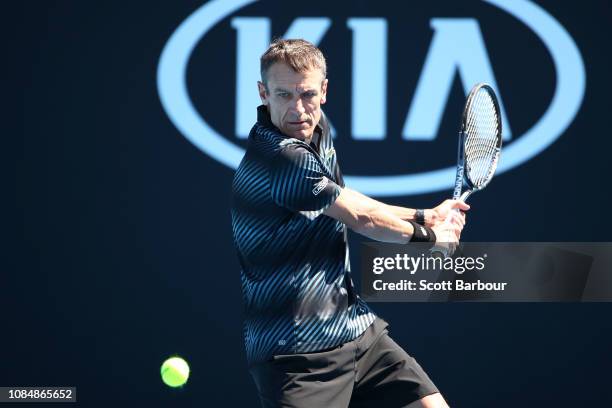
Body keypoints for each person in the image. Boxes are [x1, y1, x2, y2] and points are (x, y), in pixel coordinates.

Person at [230, 38, 469, 408]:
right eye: (282, 95)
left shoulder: (317, 131)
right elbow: (360, 218)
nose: (297, 110)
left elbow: (344, 198)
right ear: (263, 93)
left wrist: (424, 215)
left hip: (356, 331)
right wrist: (430, 238)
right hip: (297, 356)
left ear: (324, 90)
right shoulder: (280, 157)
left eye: (307, 94)